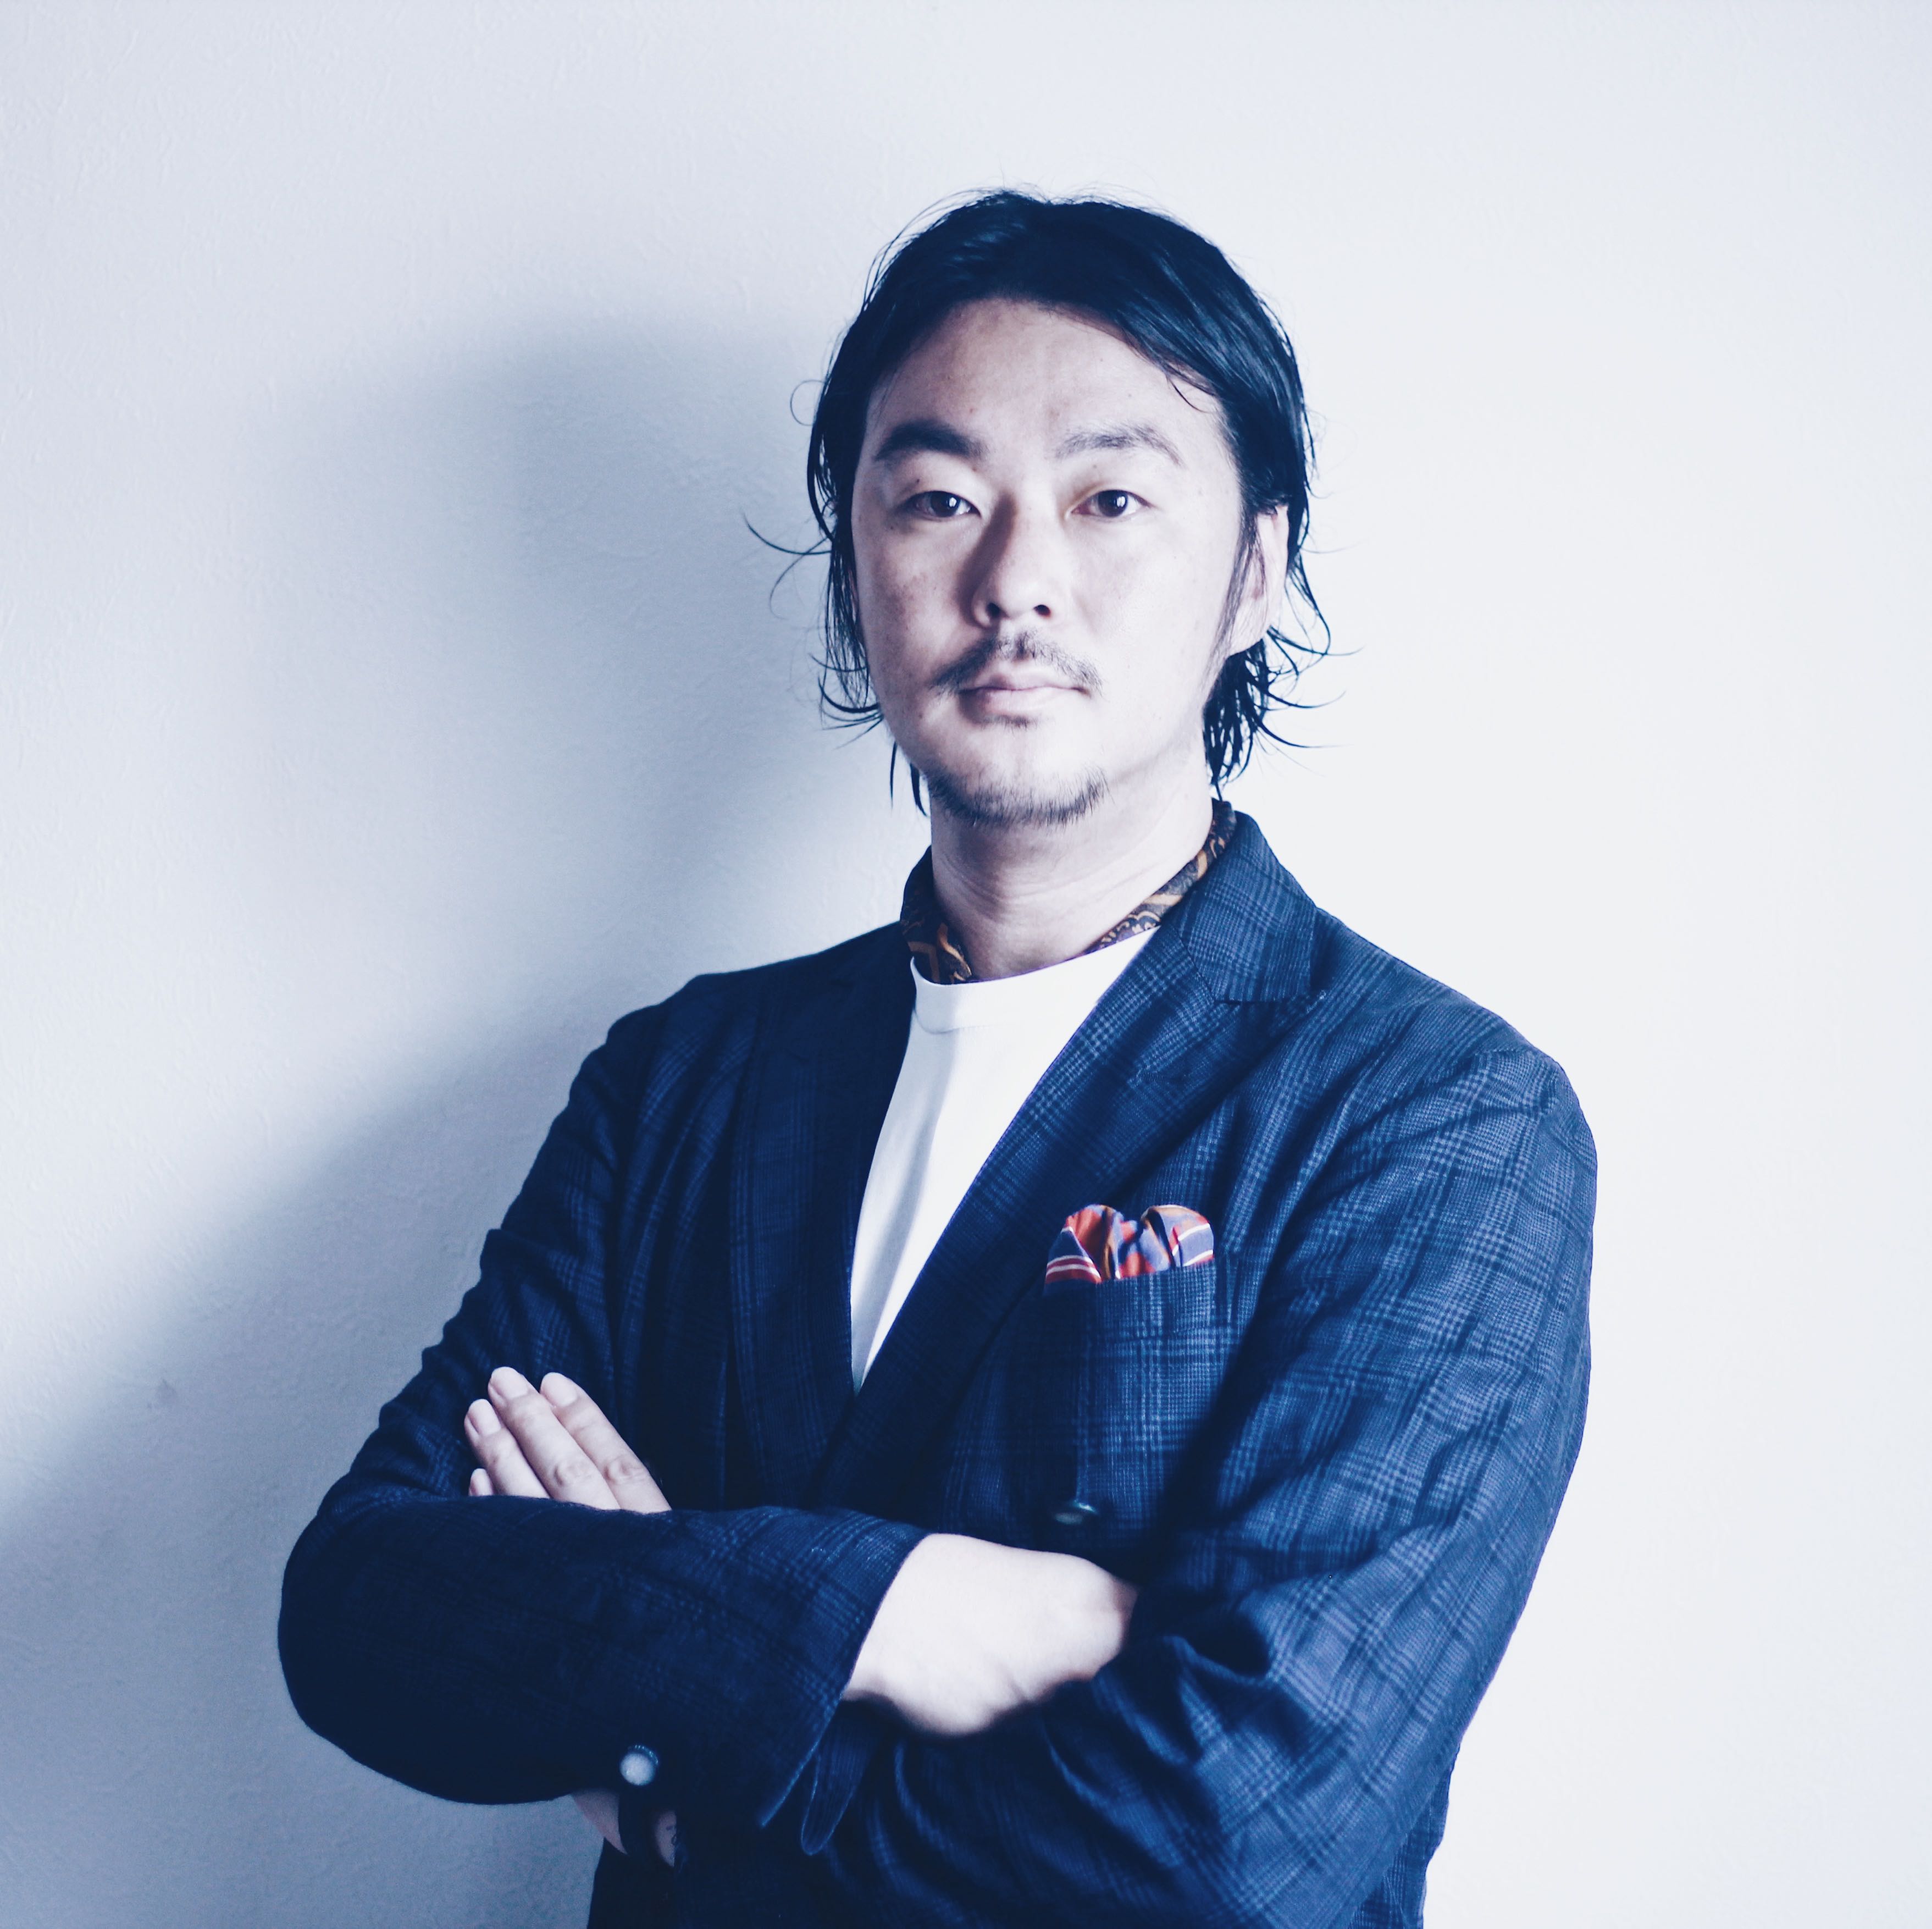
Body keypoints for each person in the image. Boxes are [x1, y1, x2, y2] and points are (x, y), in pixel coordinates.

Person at [279, 191, 1594, 1929]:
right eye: (937, 499)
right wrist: (894, 1609)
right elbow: (363, 1607)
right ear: (856, 566)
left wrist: (689, 1753)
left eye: (1109, 499)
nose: (1016, 579)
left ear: (1253, 573)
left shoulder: (1429, 1118)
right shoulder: (684, 1083)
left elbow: (1238, 1841)